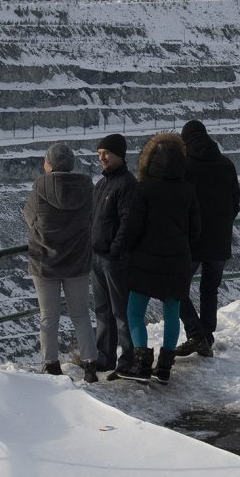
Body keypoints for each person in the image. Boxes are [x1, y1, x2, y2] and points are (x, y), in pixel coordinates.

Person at [112, 130, 201, 383]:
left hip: (145, 261)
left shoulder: (145, 188)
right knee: (172, 312)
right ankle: (164, 367)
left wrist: (120, 248)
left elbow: (132, 226)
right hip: (177, 261)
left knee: (135, 311)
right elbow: (196, 230)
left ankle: (142, 364)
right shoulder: (187, 190)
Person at [21, 142, 96, 380]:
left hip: (45, 261)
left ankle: (50, 364)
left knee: (48, 316)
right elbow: (92, 218)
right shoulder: (87, 188)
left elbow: (30, 218)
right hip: (77, 262)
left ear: (50, 164)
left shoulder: (39, 188)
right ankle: (90, 364)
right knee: (81, 315)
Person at [178, 119, 240, 357]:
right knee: (209, 290)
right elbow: (235, 202)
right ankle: (207, 336)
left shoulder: (185, 167)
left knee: (175, 287)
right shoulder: (227, 164)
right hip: (220, 239)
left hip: (193, 240)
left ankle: (196, 334)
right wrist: (222, 224)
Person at [86, 132, 136, 377]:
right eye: (99, 154)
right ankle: (105, 357)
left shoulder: (126, 184)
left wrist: (116, 249)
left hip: (114, 259)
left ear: (119, 155)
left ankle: (128, 359)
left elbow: (129, 222)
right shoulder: (102, 183)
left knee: (121, 312)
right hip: (97, 257)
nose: (102, 158)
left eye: (106, 153)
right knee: (102, 310)